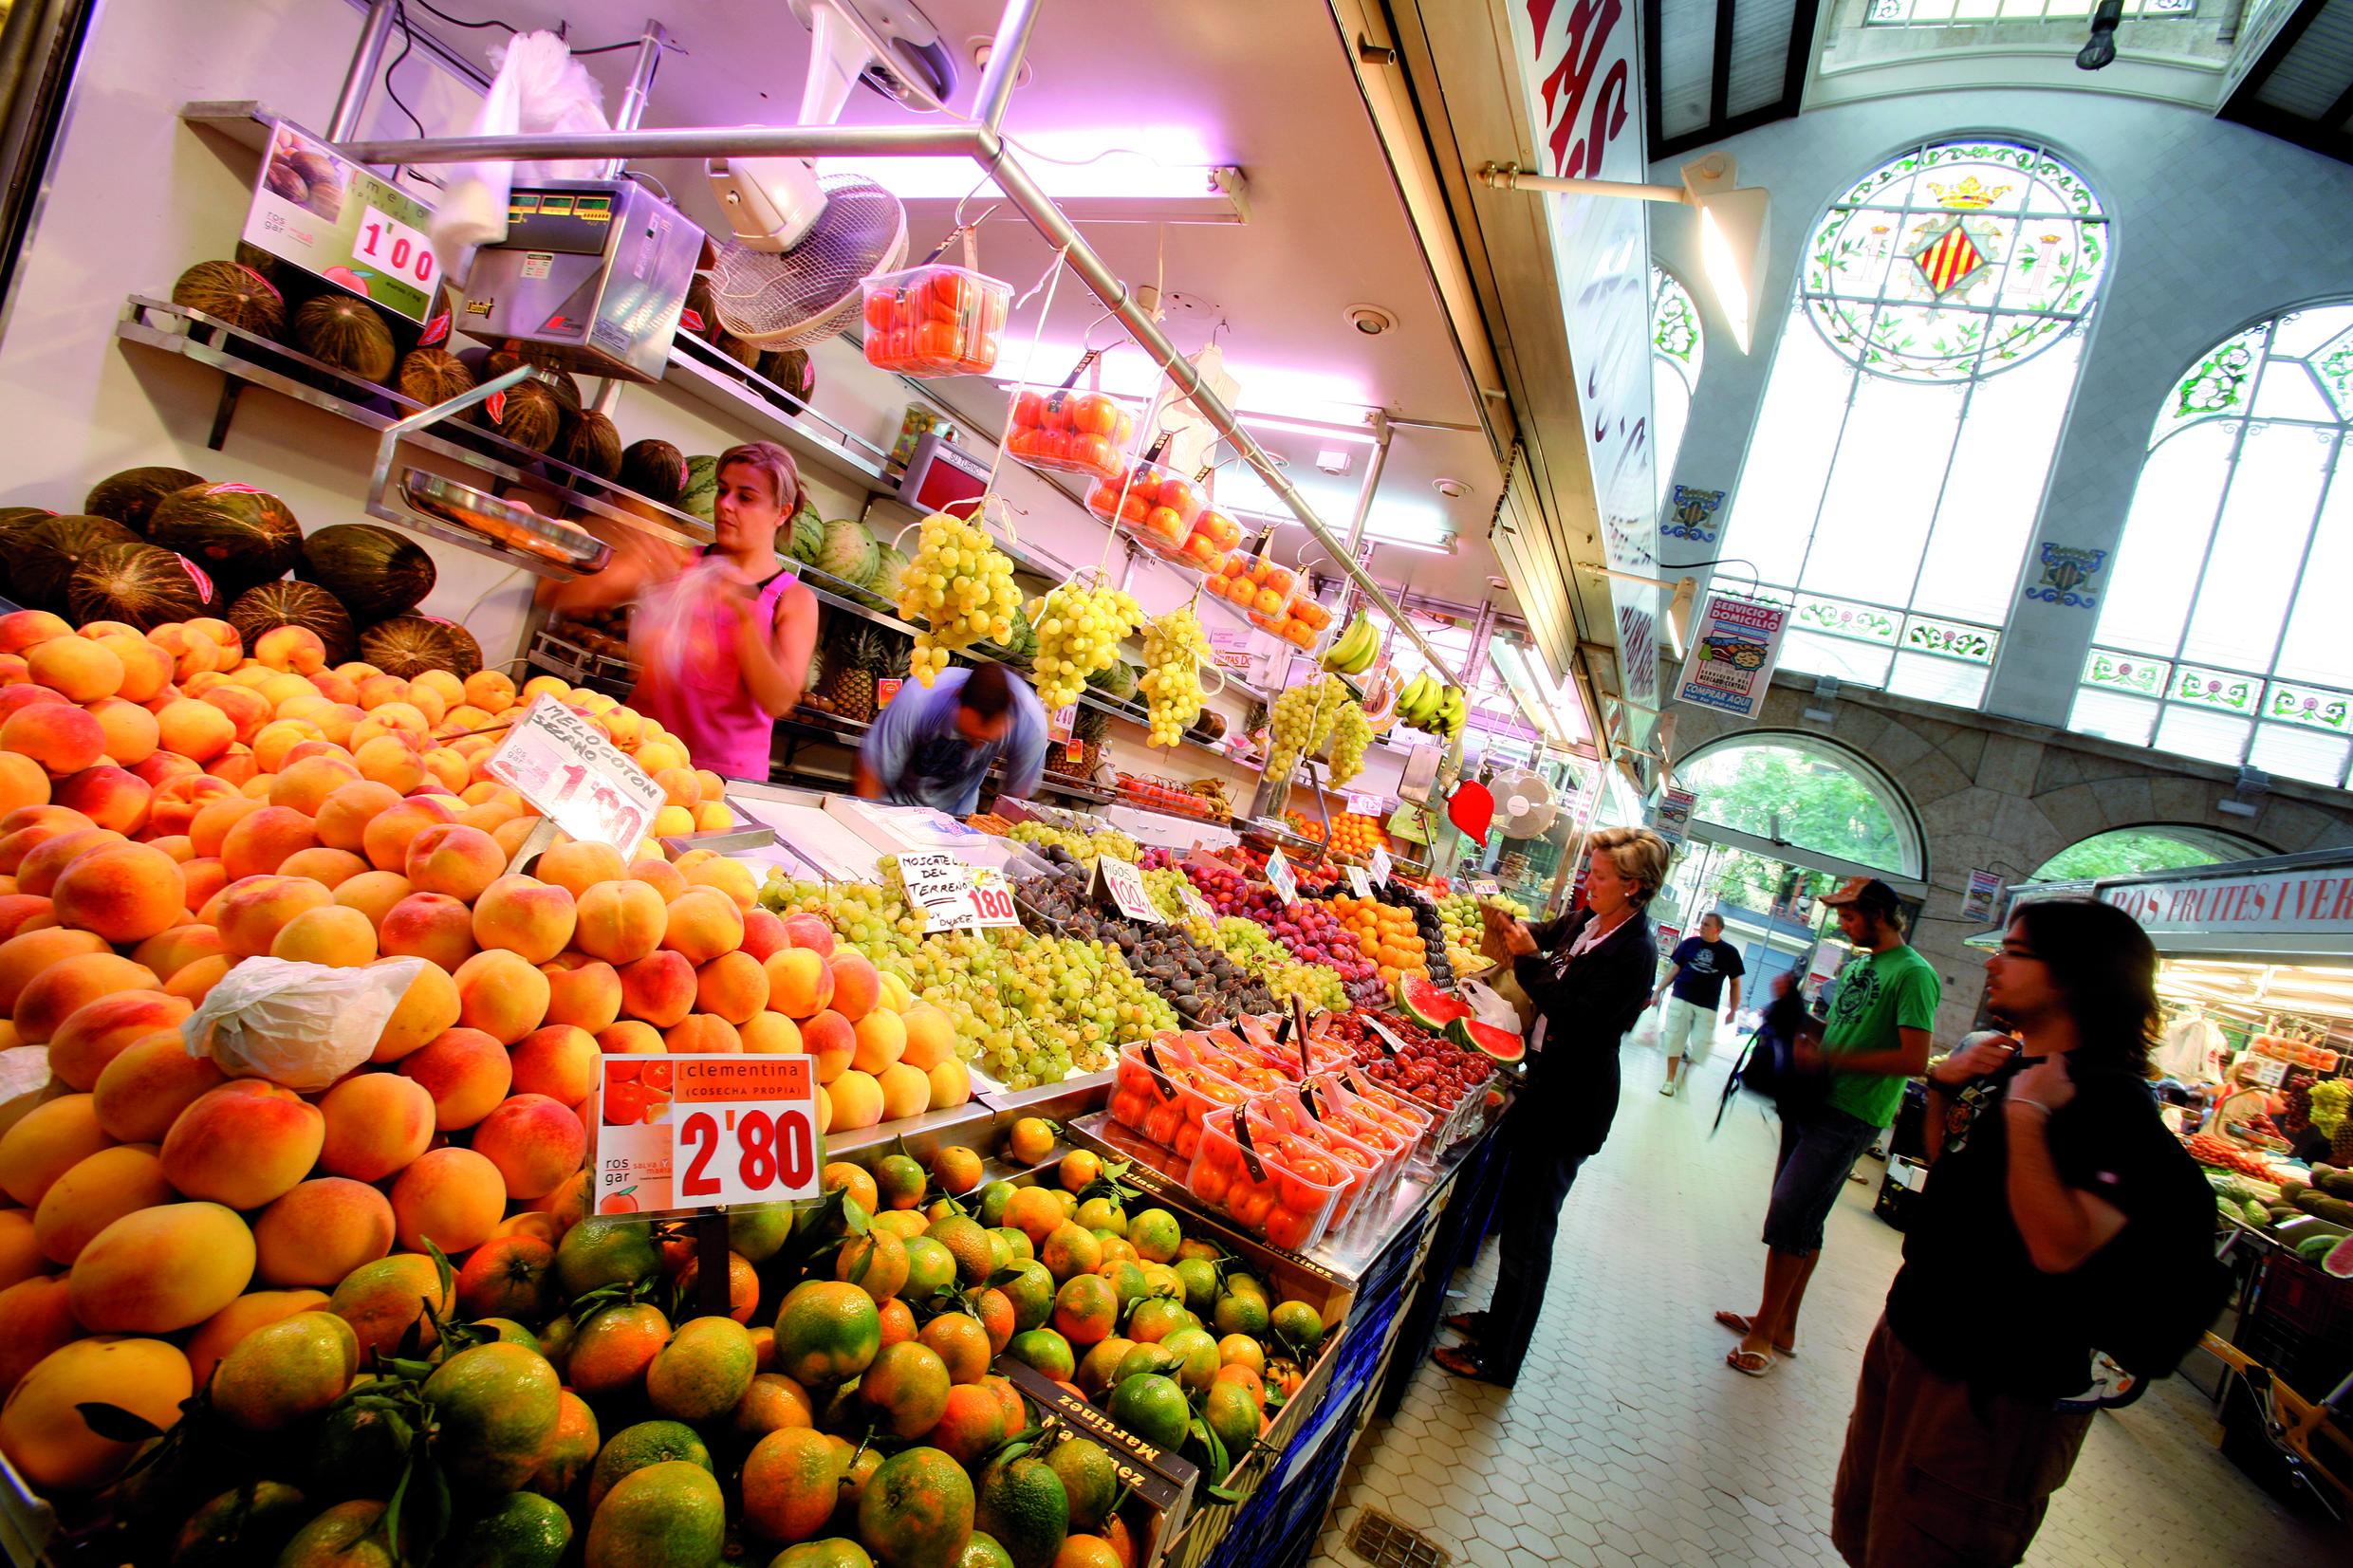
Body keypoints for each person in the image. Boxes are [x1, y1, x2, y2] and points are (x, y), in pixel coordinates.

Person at [1834, 898, 2211, 1568]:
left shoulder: (2110, 1102)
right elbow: (1954, 1166)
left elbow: (2059, 1245)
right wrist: (1947, 1090)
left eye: (2015, 950)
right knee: (1867, 1538)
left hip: (1992, 1389)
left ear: (2073, 975)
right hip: (1912, 1335)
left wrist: (2032, 1115)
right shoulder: (2008, 1064)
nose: (1993, 961)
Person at [1434, 826, 1668, 1386]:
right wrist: (1507, 926)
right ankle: (1498, 1321)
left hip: (1571, 1105)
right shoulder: (1588, 923)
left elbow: (1576, 1014)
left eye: (1602, 876)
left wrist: (1529, 962)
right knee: (1520, 1216)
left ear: (1633, 887)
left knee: (1530, 1235)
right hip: (1541, 1088)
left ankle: (1500, 1358)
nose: (1590, 881)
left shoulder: (1636, 952)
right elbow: (1543, 935)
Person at [1720, 876, 1938, 1375]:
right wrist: (1796, 1016)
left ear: (1880, 914)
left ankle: (1763, 1336)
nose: (1842, 924)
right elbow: (1839, 1032)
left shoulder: (1914, 974)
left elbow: (1914, 1056)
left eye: (1849, 915)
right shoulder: (1863, 965)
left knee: (1790, 1210)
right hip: (1815, 1101)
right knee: (1804, 1217)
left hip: (1853, 1111)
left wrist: (1833, 1054)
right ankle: (1781, 1324)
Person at [544, 440, 820, 782]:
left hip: (720, 780)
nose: (726, 505)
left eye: (745, 497)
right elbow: (557, 597)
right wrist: (618, 571)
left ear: (782, 512)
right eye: (722, 490)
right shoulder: (681, 564)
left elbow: (778, 700)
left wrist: (743, 616)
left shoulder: (791, 599)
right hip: (638, 756)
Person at [854, 662, 1047, 816]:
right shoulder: (920, 697)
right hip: (894, 807)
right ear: (956, 698)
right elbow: (873, 772)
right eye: (969, 735)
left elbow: (1015, 801)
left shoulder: (1031, 725)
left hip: (957, 817)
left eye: (985, 741)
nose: (975, 746)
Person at [1653, 911, 1745, 1097]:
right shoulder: (1689, 944)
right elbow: (1674, 970)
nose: (1702, 927)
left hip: (1707, 1005)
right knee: (1675, 1039)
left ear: (1718, 929)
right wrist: (1658, 990)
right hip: (1681, 997)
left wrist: (1733, 1011)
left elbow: (1735, 983)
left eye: (1706, 925)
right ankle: (1669, 1080)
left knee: (1703, 1045)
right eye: (1701, 923)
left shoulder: (1729, 953)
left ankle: (1684, 1075)